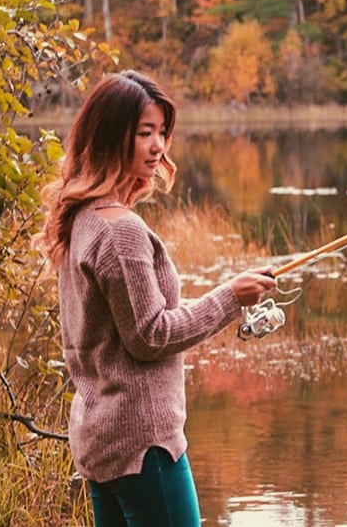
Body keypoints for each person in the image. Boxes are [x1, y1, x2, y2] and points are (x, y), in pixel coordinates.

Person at [34, 70, 276, 527]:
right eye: (145, 132)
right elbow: (150, 335)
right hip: (143, 445)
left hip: (103, 439)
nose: (158, 146)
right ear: (111, 136)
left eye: (162, 132)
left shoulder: (81, 218)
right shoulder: (119, 230)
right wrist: (231, 297)